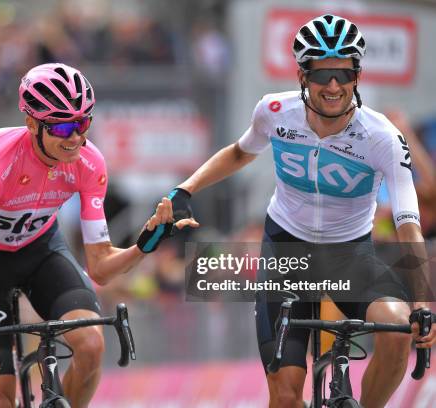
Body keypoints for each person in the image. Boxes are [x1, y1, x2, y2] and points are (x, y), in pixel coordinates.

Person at [138, 14, 435, 408]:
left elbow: (407, 223)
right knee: (284, 395)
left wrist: (420, 302)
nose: (333, 85)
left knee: (398, 329)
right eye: (321, 73)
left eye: (344, 73)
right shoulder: (275, 111)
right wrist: (185, 188)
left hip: (350, 256)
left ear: (357, 76)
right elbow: (240, 152)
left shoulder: (381, 136)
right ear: (302, 74)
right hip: (286, 253)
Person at [0, 63, 167, 408]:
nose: (75, 137)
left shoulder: (90, 163)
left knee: (91, 346)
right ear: (32, 124)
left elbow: (99, 266)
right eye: (63, 126)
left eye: (83, 123)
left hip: (40, 249)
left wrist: (143, 245)